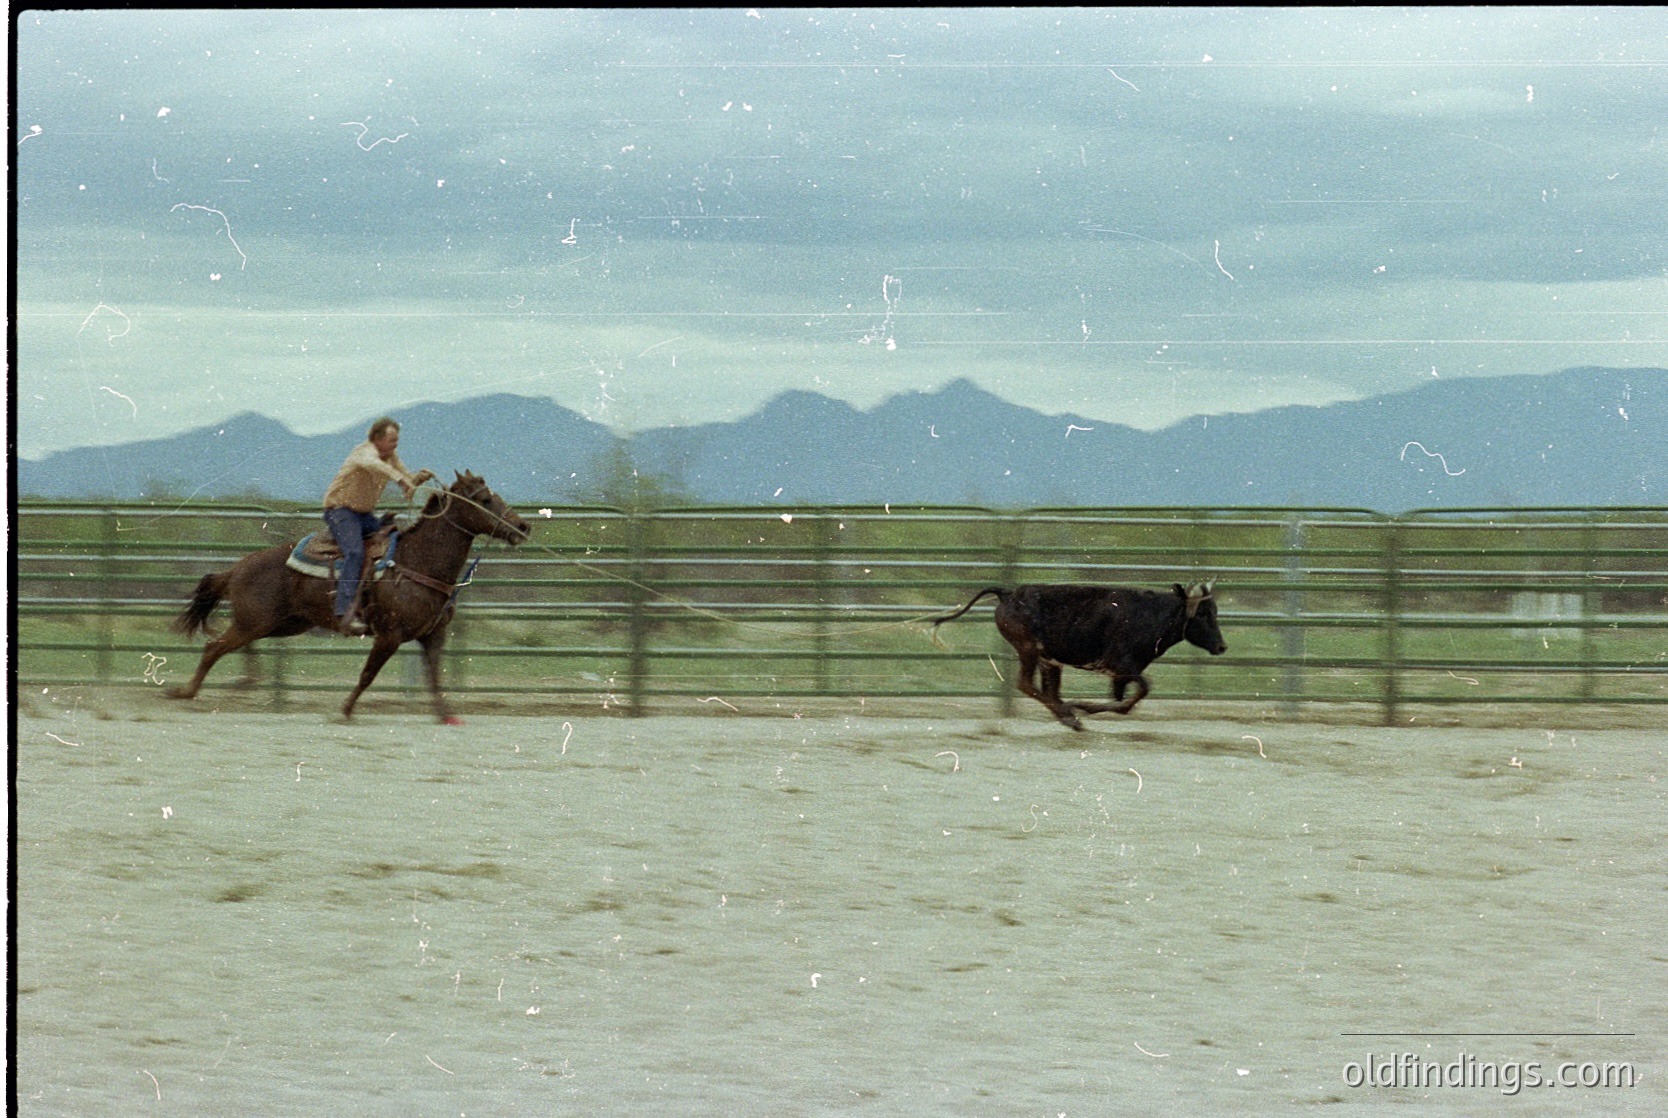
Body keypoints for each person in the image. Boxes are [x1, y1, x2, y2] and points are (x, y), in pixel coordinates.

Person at [321, 417, 434, 634]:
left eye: (396, 440)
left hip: (363, 516)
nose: (395, 445)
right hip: (340, 513)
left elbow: (406, 476)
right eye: (392, 440)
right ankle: (344, 610)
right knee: (354, 553)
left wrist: (418, 478)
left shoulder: (390, 457)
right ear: (377, 439)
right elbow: (374, 466)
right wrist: (400, 479)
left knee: (395, 538)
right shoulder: (363, 453)